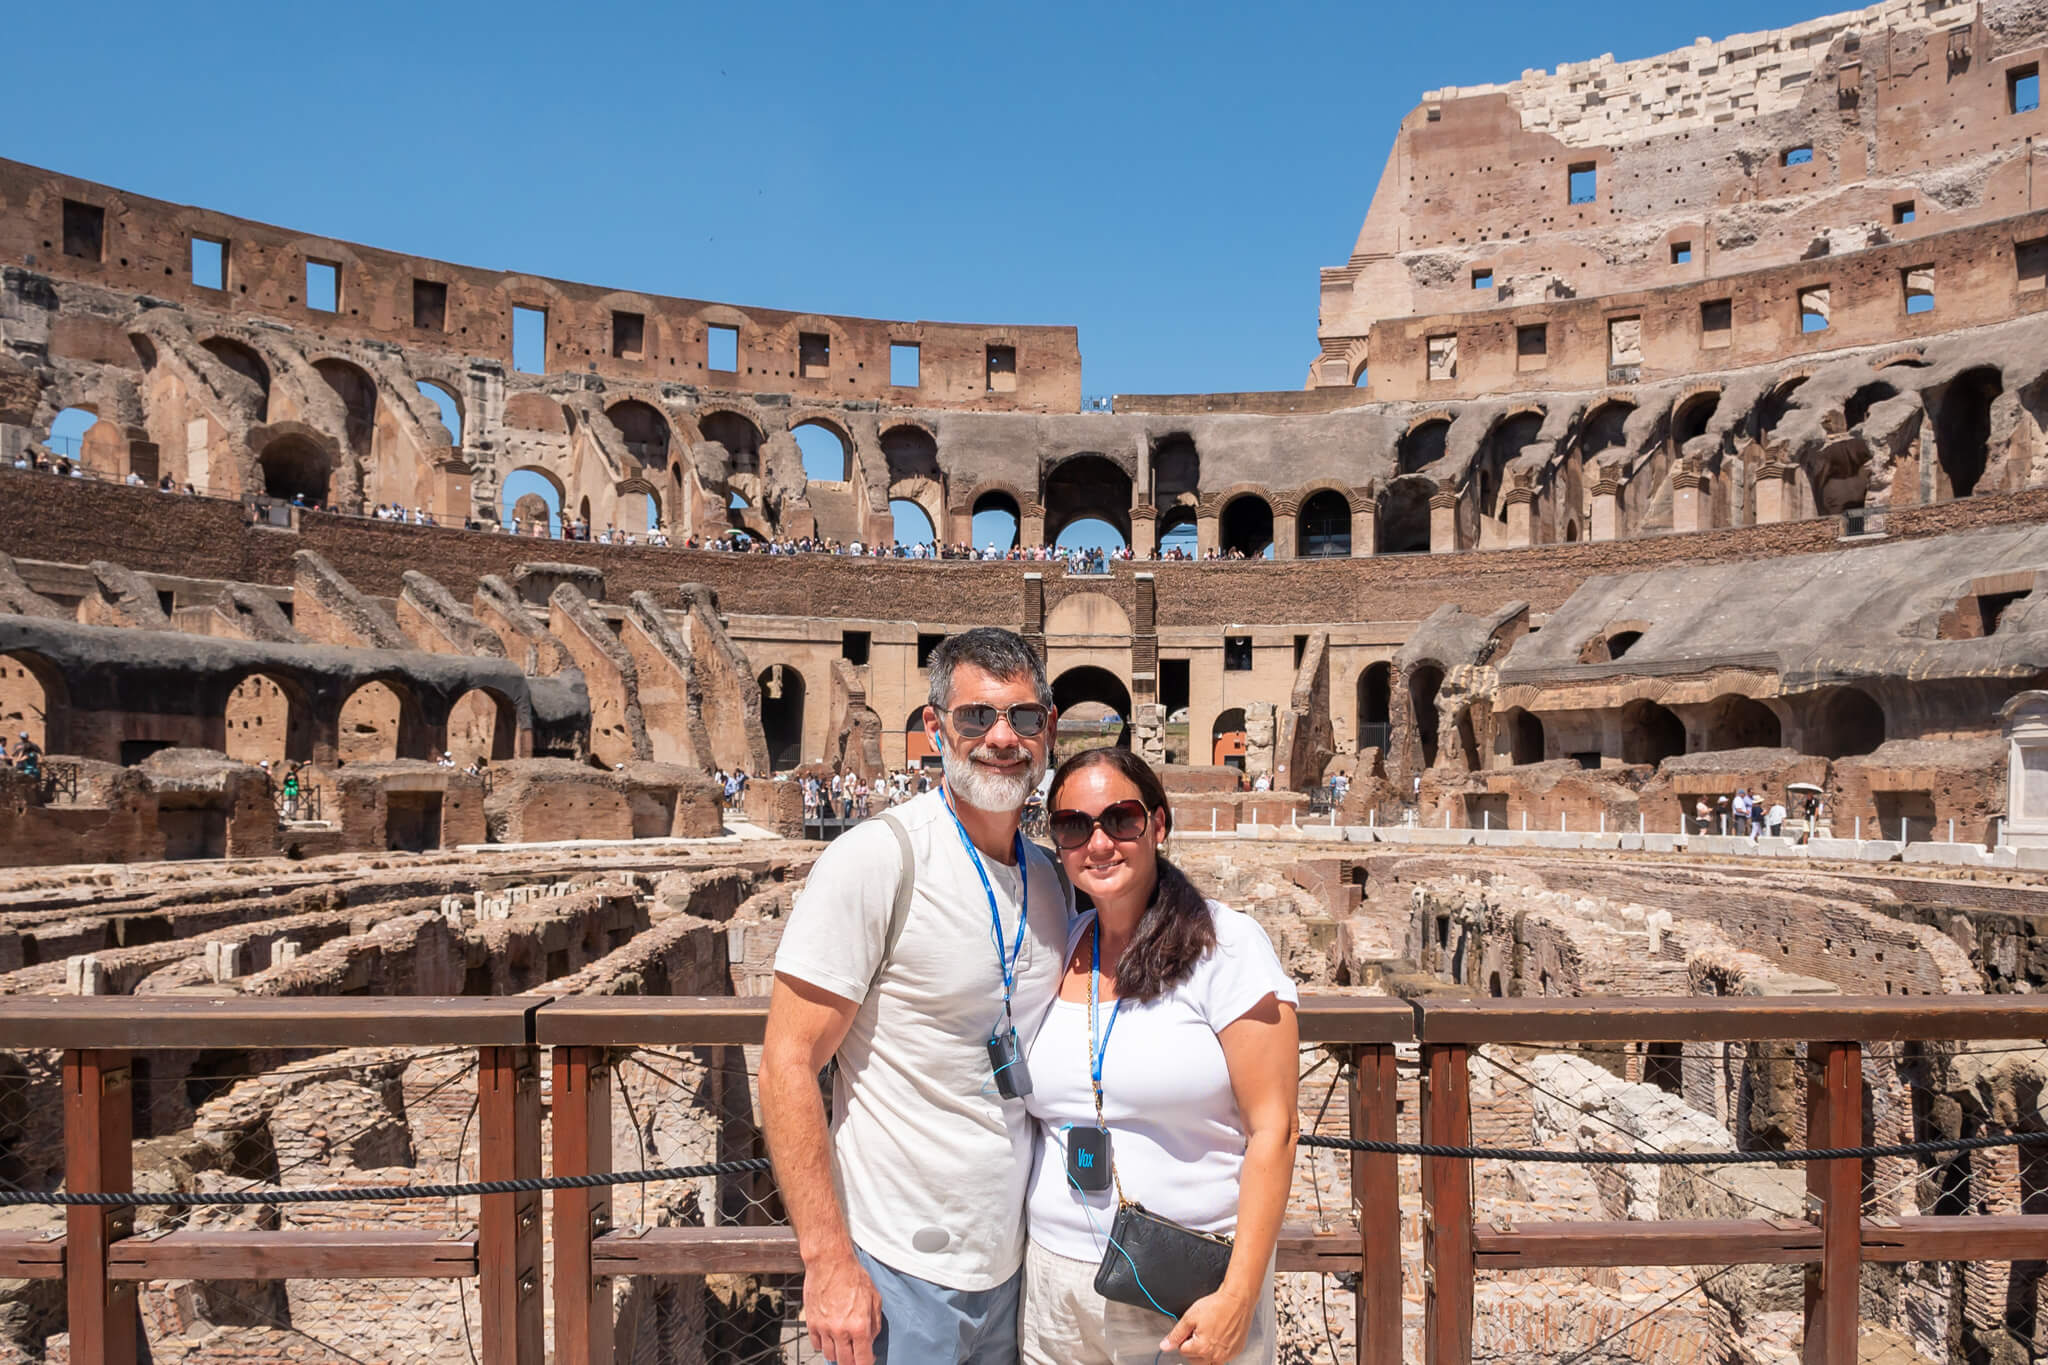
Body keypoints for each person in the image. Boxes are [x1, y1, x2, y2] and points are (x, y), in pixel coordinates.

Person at [761, 628, 1071, 1365]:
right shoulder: (877, 858)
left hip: (1018, 1263)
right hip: (897, 1270)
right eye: (976, 717)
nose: (1003, 737)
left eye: (1024, 718)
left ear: (1048, 729)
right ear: (934, 729)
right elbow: (787, 1063)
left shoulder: (1053, 878)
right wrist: (829, 1260)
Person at [1020, 747, 1298, 1364]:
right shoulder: (1060, 947)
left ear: (1159, 825)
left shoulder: (1227, 947)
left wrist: (1239, 1295)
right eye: (1072, 826)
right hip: (1055, 1286)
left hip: (1184, 1291)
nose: (1098, 844)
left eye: (1120, 819)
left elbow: (1273, 1130)